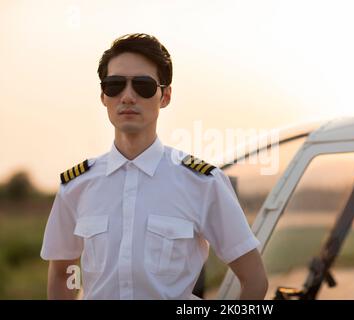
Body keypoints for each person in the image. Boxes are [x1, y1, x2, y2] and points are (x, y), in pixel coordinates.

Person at [40, 33, 268, 300]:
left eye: (143, 85)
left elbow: (253, 280)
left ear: (165, 96)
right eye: (115, 85)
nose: (127, 96)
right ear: (103, 96)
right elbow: (63, 273)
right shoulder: (76, 185)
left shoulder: (202, 182)